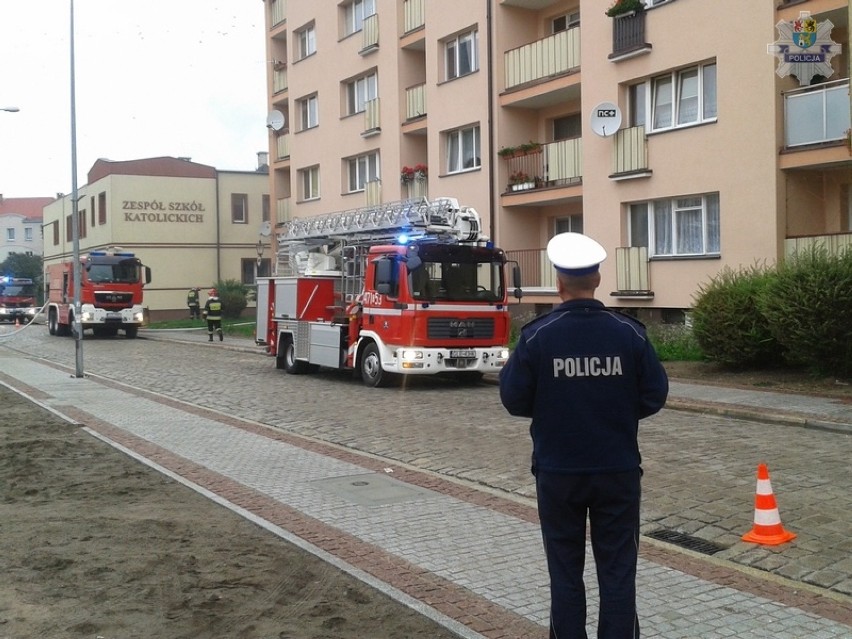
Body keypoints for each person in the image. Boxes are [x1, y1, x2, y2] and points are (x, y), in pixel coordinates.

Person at [499, 232, 669, 639]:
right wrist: (618, 413)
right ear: (597, 279)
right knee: (617, 572)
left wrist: (554, 408)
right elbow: (655, 395)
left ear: (559, 283)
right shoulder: (628, 332)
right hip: (617, 471)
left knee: (565, 573)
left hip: (558, 472)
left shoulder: (538, 335)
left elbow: (513, 399)